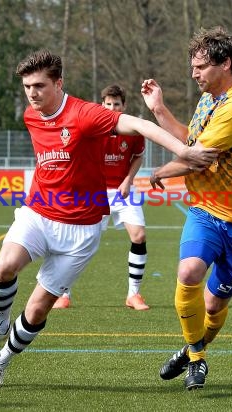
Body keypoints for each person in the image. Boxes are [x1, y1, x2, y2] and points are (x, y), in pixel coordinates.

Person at [0, 49, 219, 390]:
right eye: (27, 86)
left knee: (38, 309)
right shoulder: (30, 115)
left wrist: (183, 151)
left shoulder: (85, 114)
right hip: (39, 212)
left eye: (39, 86)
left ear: (59, 83)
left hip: (81, 230)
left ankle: (1, 362)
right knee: (5, 266)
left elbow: (138, 124)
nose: (32, 93)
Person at [141, 26, 232, 390]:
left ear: (226, 64)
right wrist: (159, 109)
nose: (194, 73)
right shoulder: (210, 99)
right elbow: (190, 141)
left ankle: (189, 350)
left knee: (214, 306)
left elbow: (197, 159)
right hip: (206, 208)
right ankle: (198, 358)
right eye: (193, 66)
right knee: (188, 274)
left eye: (201, 66)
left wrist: (162, 172)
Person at [53, 84, 149, 311]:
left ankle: (133, 295)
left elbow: (137, 157)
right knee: (76, 241)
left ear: (123, 106)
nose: (113, 107)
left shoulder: (132, 130)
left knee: (139, 235)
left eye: (117, 104)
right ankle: (63, 293)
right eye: (109, 104)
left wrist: (128, 180)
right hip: (94, 192)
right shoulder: (92, 127)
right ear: (102, 105)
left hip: (124, 191)